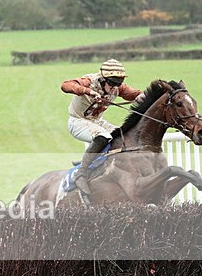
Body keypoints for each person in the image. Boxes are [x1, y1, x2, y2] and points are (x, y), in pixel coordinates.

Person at [60, 58, 144, 198]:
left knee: (122, 136)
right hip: (77, 121)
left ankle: (106, 166)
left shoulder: (117, 87)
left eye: (118, 83)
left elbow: (133, 94)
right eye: (111, 83)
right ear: (103, 79)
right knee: (103, 136)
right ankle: (81, 172)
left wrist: (140, 96)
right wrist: (87, 91)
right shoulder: (89, 81)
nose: (114, 87)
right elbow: (65, 85)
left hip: (97, 121)